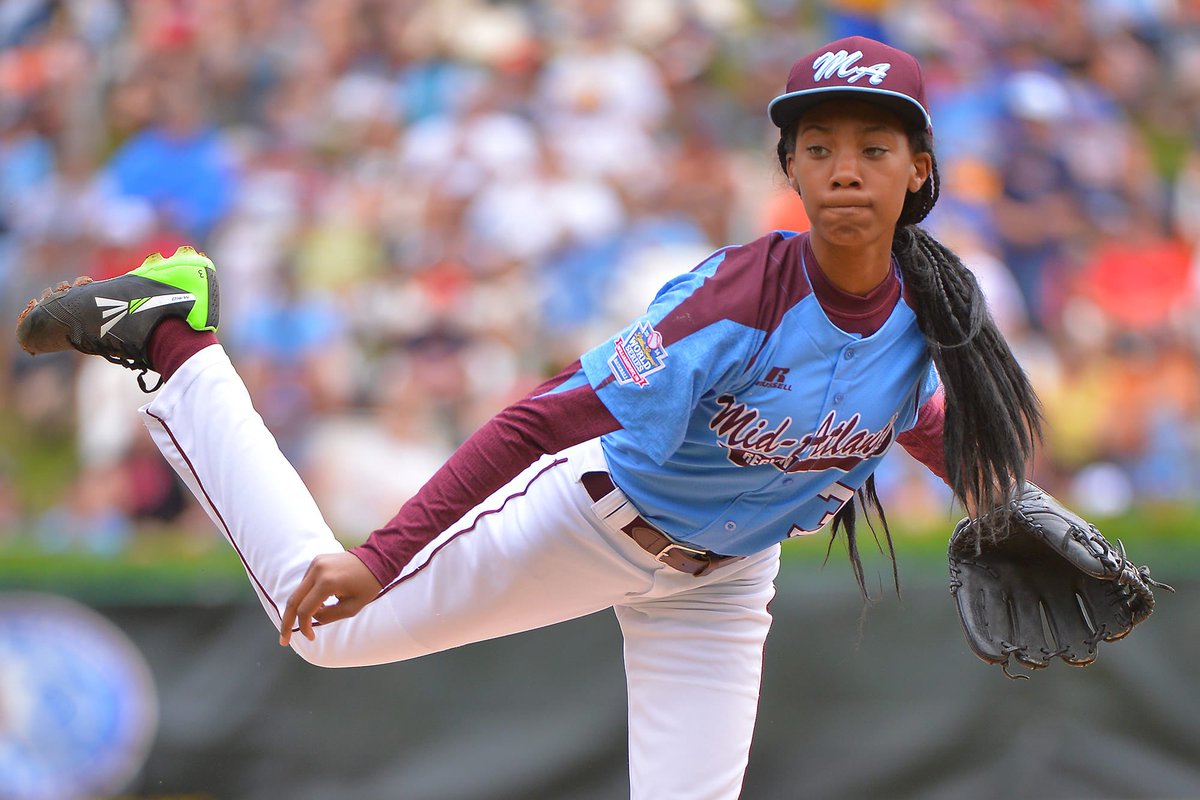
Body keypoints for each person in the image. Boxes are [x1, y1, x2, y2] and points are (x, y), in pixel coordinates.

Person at [16, 36, 1041, 800]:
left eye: (874, 143)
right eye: (818, 145)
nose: (846, 166)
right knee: (328, 633)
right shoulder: (733, 304)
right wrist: (378, 557)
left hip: (724, 584)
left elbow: (910, 412)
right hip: (595, 515)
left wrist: (1010, 503)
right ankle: (172, 342)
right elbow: (537, 419)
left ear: (921, 168)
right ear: (792, 171)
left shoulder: (937, 312)